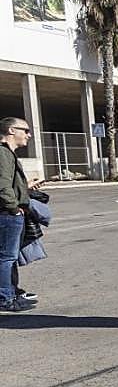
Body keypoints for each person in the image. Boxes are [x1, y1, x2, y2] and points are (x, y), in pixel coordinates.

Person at [0, 117, 38, 312]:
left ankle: (11, 292)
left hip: (9, 212)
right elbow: (2, 185)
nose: (29, 135)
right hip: (7, 214)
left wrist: (25, 187)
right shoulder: (3, 153)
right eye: (26, 130)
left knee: (10, 257)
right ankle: (5, 298)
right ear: (12, 130)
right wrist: (14, 208)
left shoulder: (8, 154)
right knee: (6, 257)